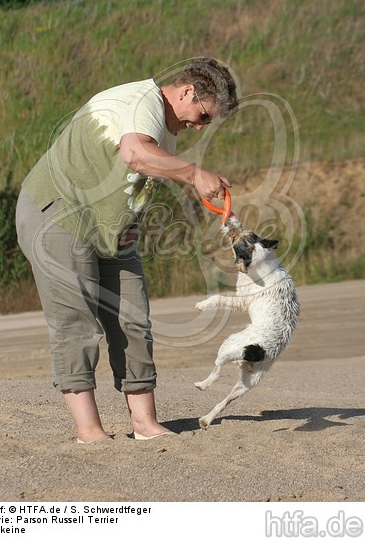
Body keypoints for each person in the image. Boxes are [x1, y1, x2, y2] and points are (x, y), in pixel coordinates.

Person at [15, 56, 239, 443]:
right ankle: (90, 432)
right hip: (57, 214)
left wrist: (130, 221)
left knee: (133, 319)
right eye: (203, 116)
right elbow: (134, 154)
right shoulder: (142, 103)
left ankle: (145, 424)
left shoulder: (165, 128)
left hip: (109, 229)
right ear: (187, 91)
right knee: (77, 323)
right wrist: (194, 173)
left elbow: (130, 178)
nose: (200, 127)